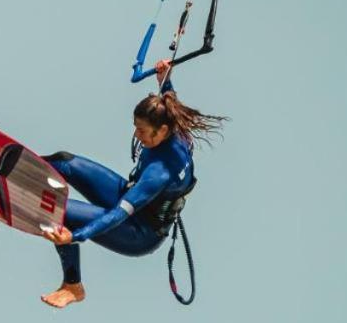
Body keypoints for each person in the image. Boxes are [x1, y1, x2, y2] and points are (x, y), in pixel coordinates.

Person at [40, 60, 226, 309]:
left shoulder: (160, 172)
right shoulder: (172, 122)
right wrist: (165, 79)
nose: (137, 135)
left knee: (60, 214)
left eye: (141, 131)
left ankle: (73, 286)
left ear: (161, 131)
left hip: (140, 232)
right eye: (135, 128)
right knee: (64, 162)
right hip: (126, 194)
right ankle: (12, 169)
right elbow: (168, 99)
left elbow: (118, 215)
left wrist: (75, 235)